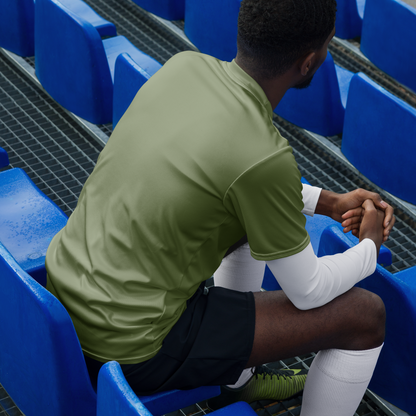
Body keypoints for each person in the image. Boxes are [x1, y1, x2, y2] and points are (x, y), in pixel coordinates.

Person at [45, 0, 395, 414]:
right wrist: (369, 248)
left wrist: (327, 202)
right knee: (364, 316)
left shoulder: (183, 68)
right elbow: (308, 290)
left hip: (66, 303)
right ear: (308, 62)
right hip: (132, 345)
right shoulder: (264, 156)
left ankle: (238, 383)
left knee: (246, 224)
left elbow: (228, 180)